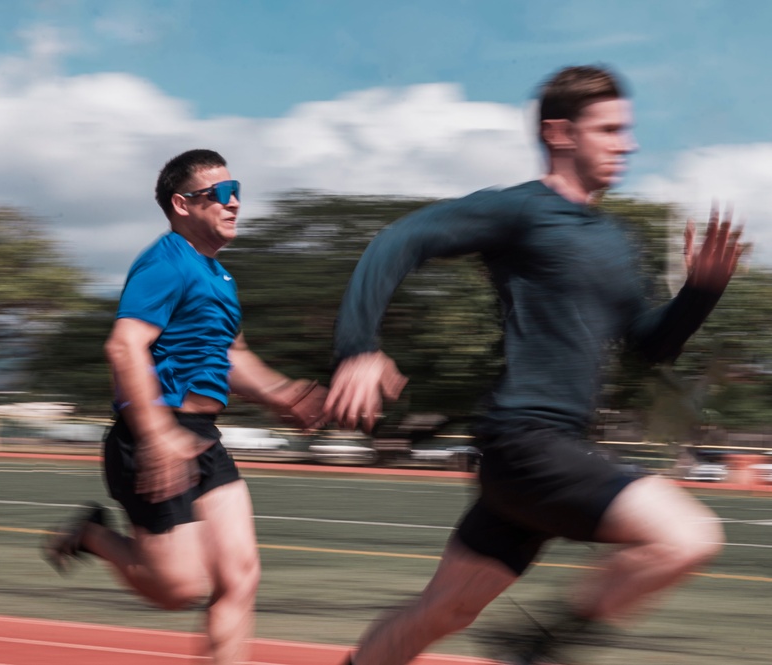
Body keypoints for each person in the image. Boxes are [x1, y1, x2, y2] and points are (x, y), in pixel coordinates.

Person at [325, 65, 744, 665]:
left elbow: (647, 346)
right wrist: (357, 348)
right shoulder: (521, 211)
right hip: (528, 445)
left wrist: (700, 295)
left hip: (544, 455)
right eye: (610, 129)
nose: (629, 143)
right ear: (560, 133)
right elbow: (399, 240)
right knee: (689, 535)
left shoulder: (616, 244)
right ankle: (535, 649)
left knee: (439, 613)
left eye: (627, 129)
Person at [43, 149, 326, 665]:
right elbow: (123, 347)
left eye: (236, 189)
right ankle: (91, 534)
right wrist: (157, 436)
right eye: (220, 193)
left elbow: (231, 357)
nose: (234, 201)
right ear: (182, 204)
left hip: (201, 436)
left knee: (240, 576)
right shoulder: (165, 262)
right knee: (177, 589)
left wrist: (282, 394)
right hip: (149, 432)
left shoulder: (220, 277)